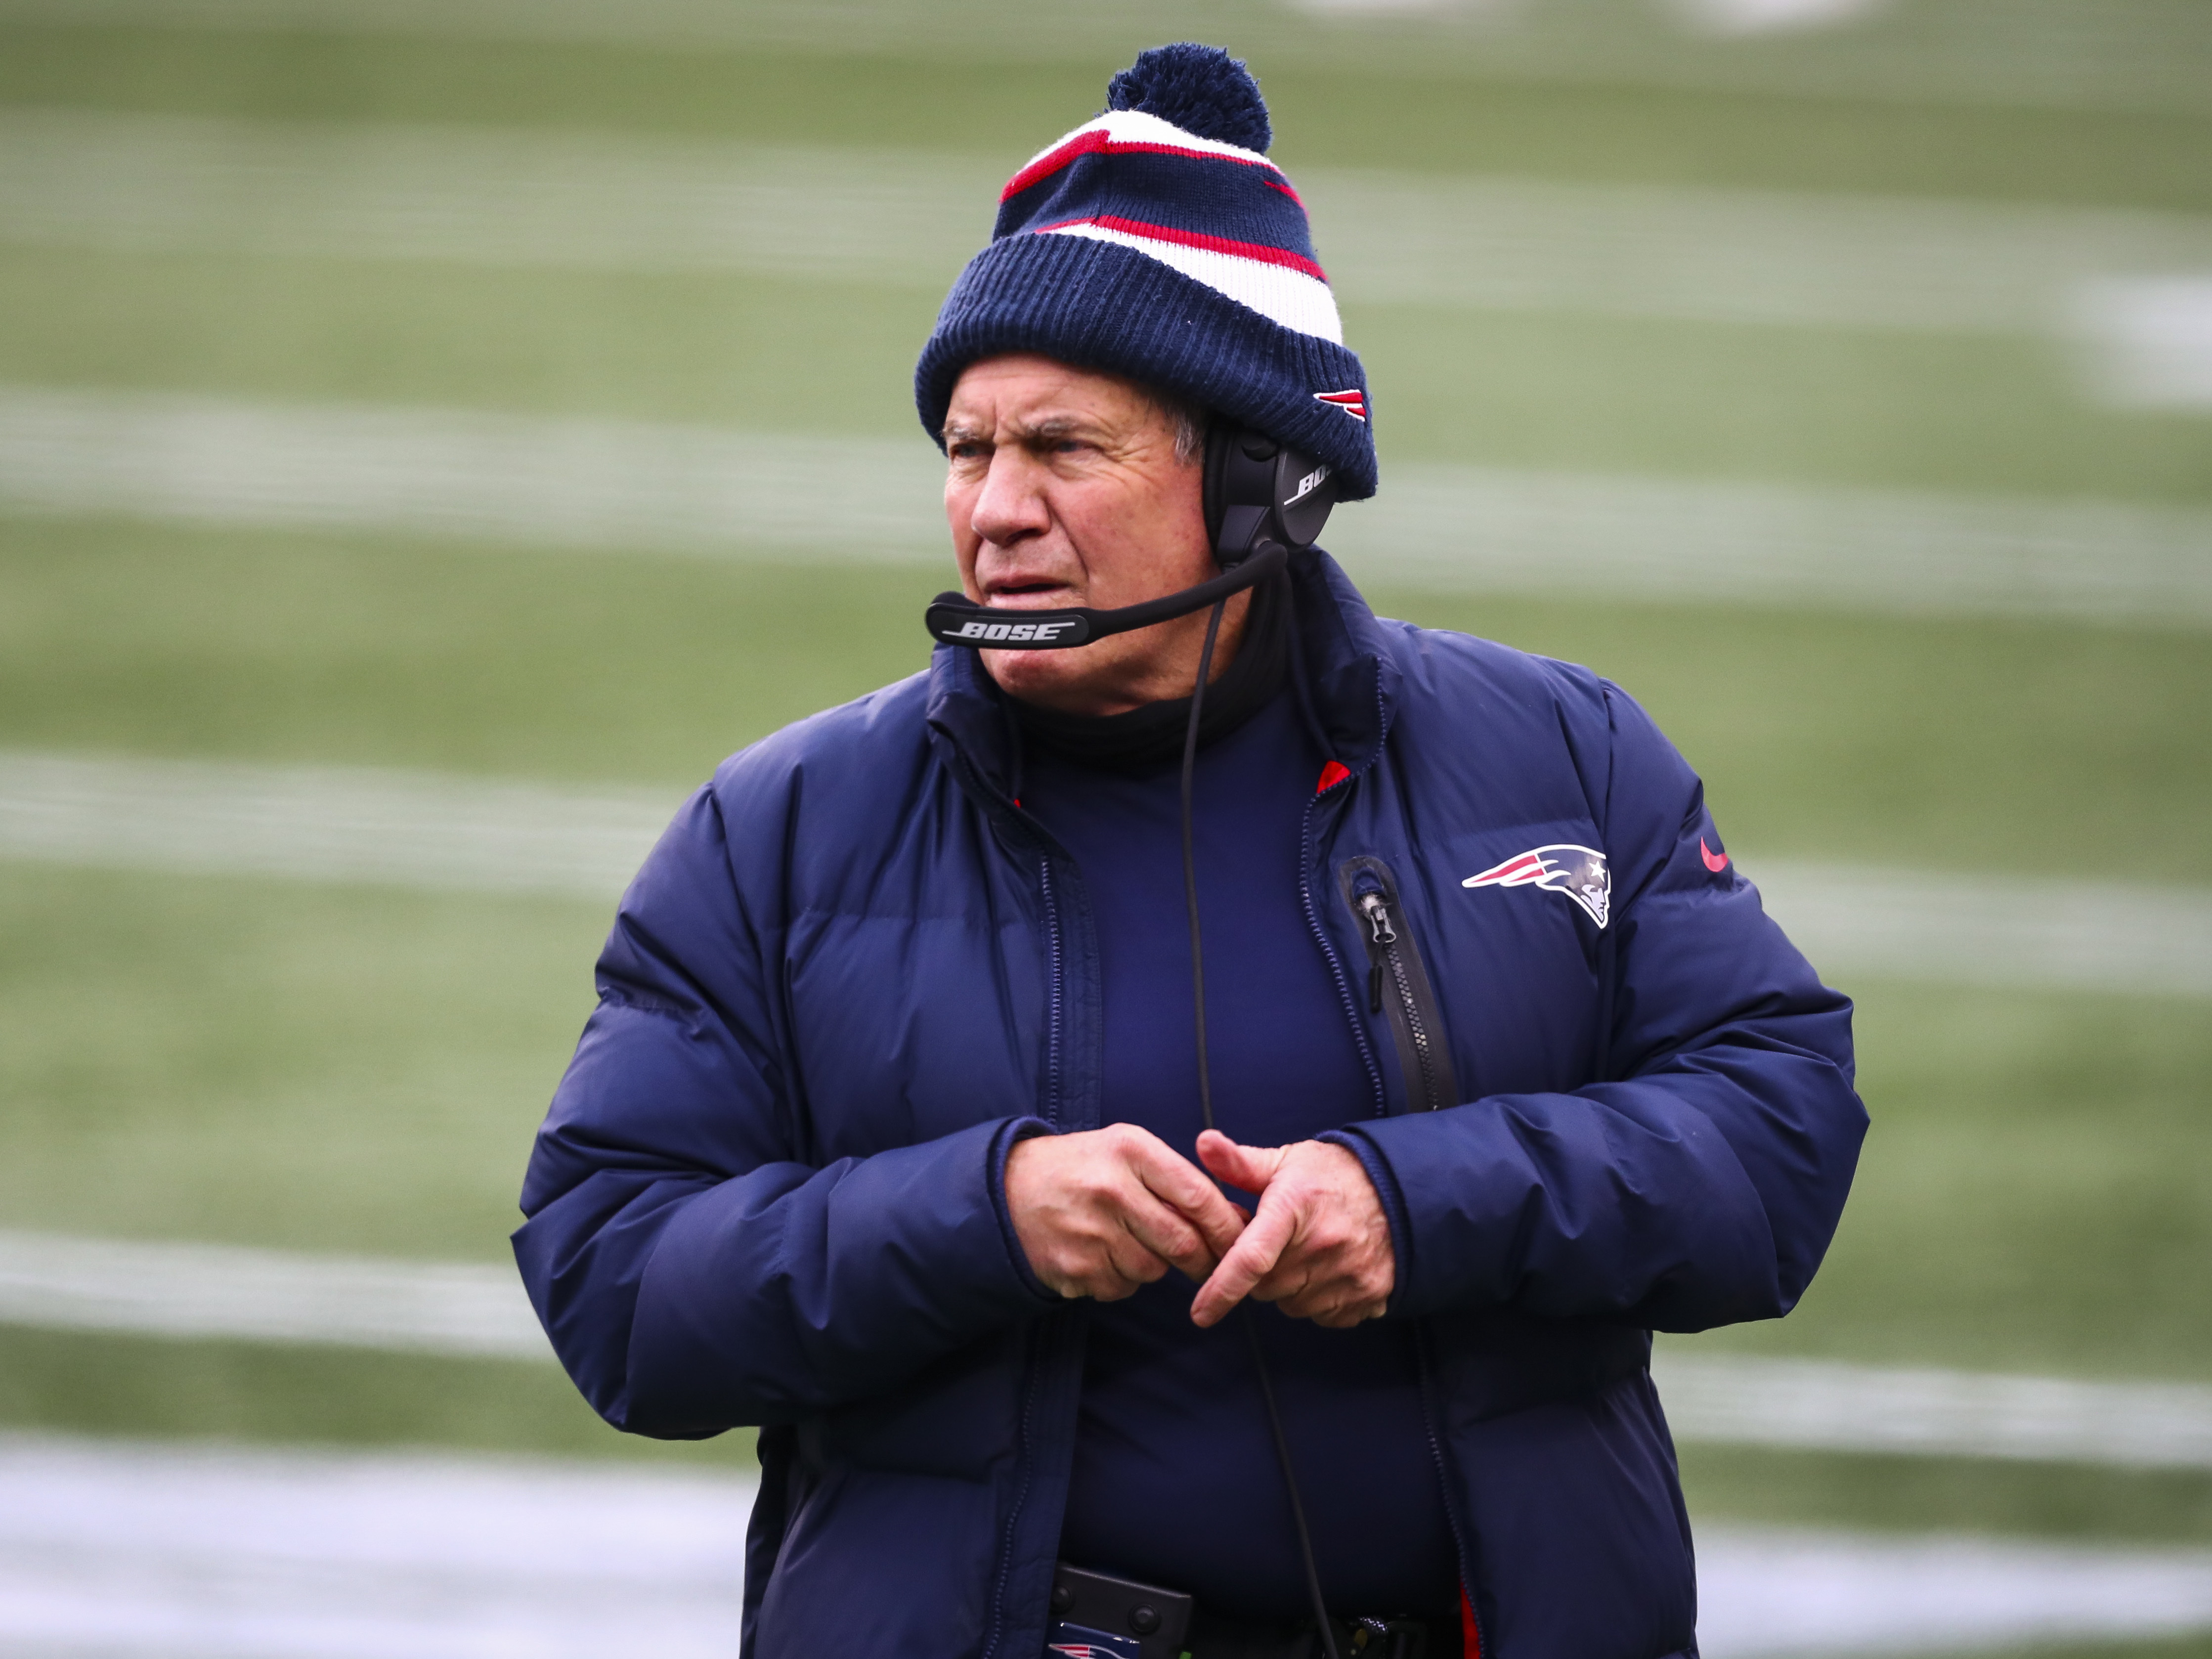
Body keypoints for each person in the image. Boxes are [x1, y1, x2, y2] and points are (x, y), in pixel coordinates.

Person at [514, 44, 1865, 1659]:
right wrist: (984, 1213)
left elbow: (1776, 1135)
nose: (992, 509)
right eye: (965, 449)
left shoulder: (1561, 754)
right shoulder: (784, 826)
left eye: (1063, 449)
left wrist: (1417, 1202)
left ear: (1257, 480)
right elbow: (615, 1280)